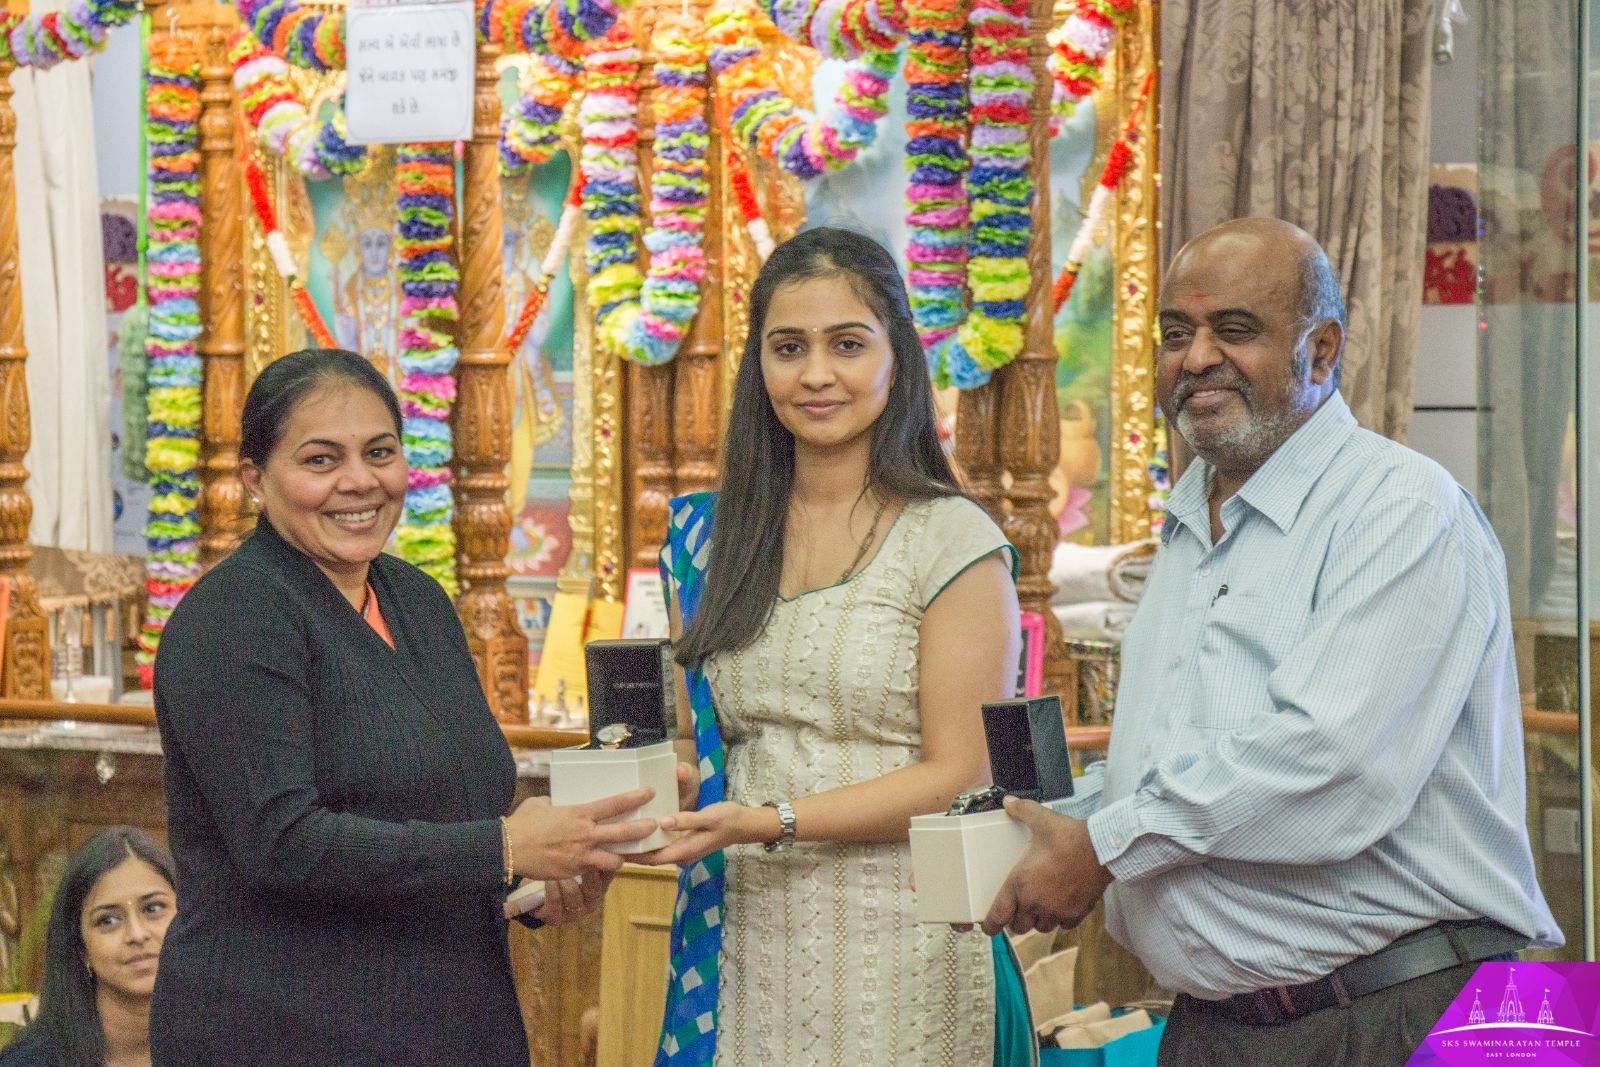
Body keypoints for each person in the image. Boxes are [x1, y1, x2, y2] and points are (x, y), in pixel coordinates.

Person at [980, 218, 1562, 1065]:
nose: (1197, 356)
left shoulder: (1403, 506)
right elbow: (1181, 761)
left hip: (1421, 1013)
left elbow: (1329, 764)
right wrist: (1045, 824)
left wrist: (1102, 846)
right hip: (1222, 1025)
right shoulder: (1187, 526)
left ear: (1322, 351)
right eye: (1176, 334)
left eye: (1236, 330)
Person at [149, 348, 658, 1066]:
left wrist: (527, 888)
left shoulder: (416, 599)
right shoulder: (235, 615)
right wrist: (505, 848)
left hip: (447, 1020)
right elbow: (282, 842)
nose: (359, 481)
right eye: (321, 459)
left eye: (379, 452)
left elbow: (446, 810)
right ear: (255, 480)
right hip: (285, 1029)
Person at [642, 227, 1028, 1066]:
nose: (816, 374)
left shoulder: (951, 540)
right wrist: (640, 794)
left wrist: (770, 820)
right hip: (743, 932)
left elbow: (962, 770)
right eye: (789, 348)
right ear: (760, 368)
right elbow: (693, 738)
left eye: (847, 344)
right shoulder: (712, 538)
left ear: (896, 359)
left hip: (908, 941)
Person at [0, 827, 176, 1067]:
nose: (136, 934)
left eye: (153, 909)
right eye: (108, 920)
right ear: (81, 948)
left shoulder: (232, 1044)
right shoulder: (30, 1062)